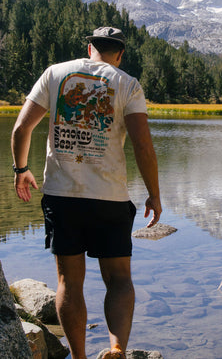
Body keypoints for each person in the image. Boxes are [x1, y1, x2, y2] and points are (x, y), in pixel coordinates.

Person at [11, 26, 162, 359]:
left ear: (90, 47)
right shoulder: (127, 84)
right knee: (120, 279)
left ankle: (79, 357)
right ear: (119, 54)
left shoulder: (56, 74)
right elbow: (142, 145)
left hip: (63, 198)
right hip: (110, 198)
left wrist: (21, 170)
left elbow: (22, 127)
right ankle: (117, 347)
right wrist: (154, 193)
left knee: (69, 282)